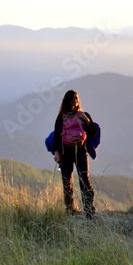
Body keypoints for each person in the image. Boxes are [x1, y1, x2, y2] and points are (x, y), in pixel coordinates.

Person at [52, 89, 96, 219]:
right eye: (72, 99)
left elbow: (93, 132)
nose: (75, 101)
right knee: (67, 182)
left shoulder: (83, 115)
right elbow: (56, 136)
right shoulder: (61, 117)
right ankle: (71, 209)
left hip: (81, 152)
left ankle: (89, 210)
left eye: (76, 98)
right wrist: (56, 152)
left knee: (84, 180)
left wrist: (86, 120)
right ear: (67, 101)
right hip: (67, 153)